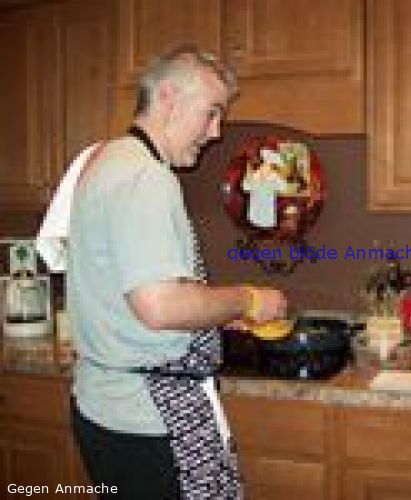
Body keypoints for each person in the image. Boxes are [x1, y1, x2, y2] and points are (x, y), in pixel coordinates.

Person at [67, 46, 286, 499]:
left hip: (105, 405)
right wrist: (248, 298)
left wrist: (217, 314)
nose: (216, 131)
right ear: (168, 97)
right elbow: (161, 306)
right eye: (211, 112)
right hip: (147, 415)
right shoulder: (146, 178)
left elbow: (135, 293)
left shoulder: (106, 161)